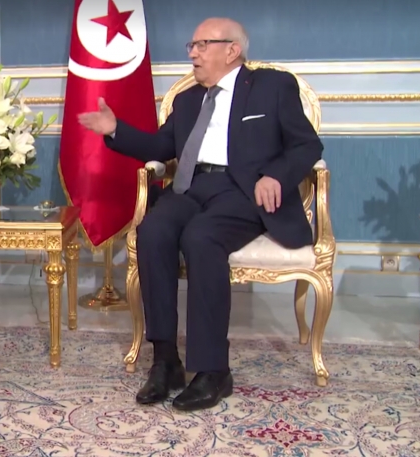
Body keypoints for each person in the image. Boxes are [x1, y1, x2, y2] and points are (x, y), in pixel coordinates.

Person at [78, 18, 323, 411]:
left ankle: (213, 370)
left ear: (232, 50)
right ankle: (165, 361)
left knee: (201, 237)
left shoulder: (273, 86)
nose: (192, 53)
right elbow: (161, 146)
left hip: (242, 191)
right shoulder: (189, 99)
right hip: (192, 188)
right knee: (153, 231)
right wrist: (115, 129)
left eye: (202, 45)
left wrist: (276, 175)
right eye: (191, 46)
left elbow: (306, 145)